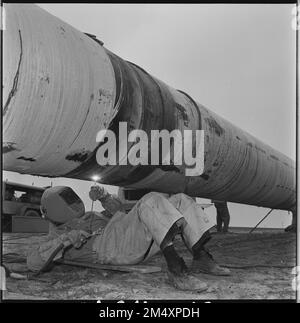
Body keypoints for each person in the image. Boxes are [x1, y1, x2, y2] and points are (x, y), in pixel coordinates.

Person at [27, 186, 230, 291]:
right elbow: (33, 261)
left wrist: (104, 196)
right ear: (54, 207)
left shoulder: (89, 216)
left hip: (127, 239)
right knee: (150, 199)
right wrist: (69, 237)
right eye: (68, 199)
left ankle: (201, 256)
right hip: (110, 249)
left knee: (180, 199)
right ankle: (178, 272)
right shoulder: (54, 235)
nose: (74, 202)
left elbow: (122, 211)